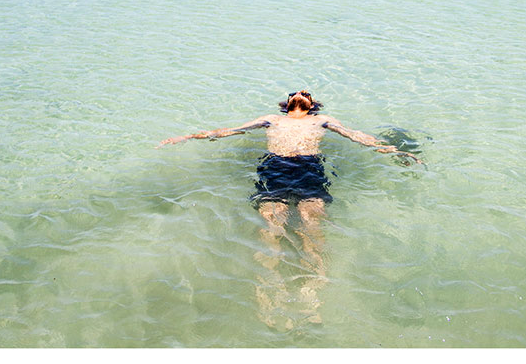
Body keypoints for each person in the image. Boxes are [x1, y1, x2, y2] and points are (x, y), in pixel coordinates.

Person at [157, 90, 422, 327]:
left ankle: (313, 291)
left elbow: (356, 136)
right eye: (297, 93)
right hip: (275, 169)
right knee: (272, 227)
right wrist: (188, 137)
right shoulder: (271, 118)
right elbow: (231, 130)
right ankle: (268, 292)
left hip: (310, 169)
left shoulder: (322, 120)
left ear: (311, 105)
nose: (302, 94)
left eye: (306, 93)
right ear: (289, 104)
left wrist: (394, 151)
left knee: (312, 225)